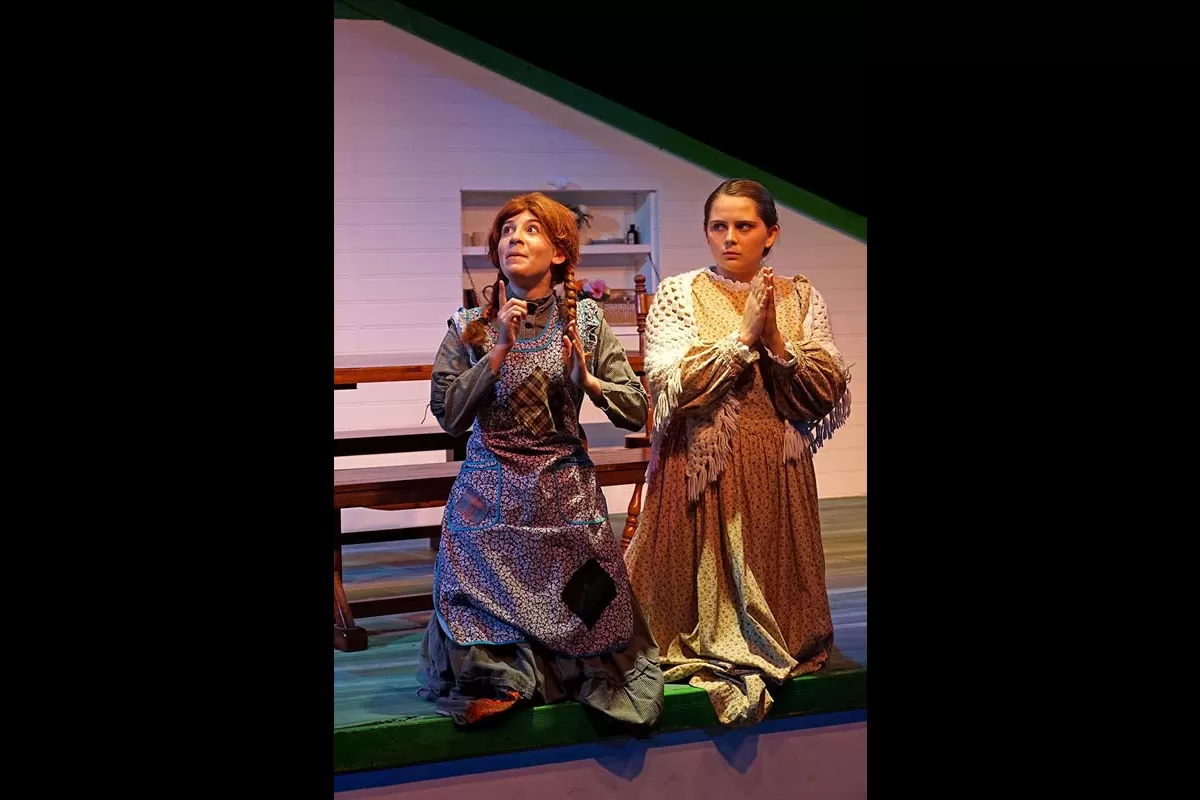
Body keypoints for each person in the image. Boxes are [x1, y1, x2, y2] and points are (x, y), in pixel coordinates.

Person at [419, 191, 664, 729]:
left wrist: (590, 382)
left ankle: (578, 668)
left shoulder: (587, 323)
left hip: (563, 491)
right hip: (490, 492)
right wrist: (497, 351)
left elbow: (635, 410)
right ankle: (500, 675)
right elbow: (450, 416)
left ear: (558, 252)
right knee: (472, 575)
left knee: (591, 601)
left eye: (530, 229)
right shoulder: (469, 325)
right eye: (506, 231)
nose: (514, 238)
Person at [623, 179, 852, 726]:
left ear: (770, 234)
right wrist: (741, 340)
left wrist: (776, 344)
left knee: (785, 607)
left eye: (744, 226)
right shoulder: (680, 293)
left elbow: (824, 388)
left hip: (777, 463)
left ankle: (781, 633)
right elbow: (671, 382)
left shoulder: (800, 297)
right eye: (718, 226)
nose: (729, 237)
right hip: (702, 465)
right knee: (689, 609)